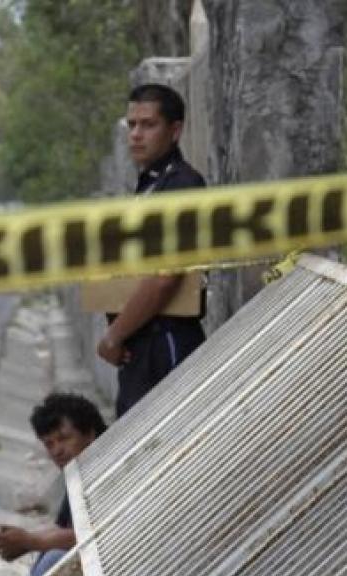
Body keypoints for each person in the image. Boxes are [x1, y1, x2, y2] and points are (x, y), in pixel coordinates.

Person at [96, 82, 207, 417]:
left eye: (148, 124)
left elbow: (164, 277)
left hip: (167, 341)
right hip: (141, 348)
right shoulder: (150, 187)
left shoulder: (181, 185)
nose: (136, 134)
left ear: (175, 130)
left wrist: (113, 337)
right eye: (132, 125)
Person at [0, 391, 106, 576]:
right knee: (48, 558)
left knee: (53, 560)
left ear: (90, 433)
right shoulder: (79, 473)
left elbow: (97, 533)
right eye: (49, 444)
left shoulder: (109, 467)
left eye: (64, 438)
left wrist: (31, 541)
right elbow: (65, 530)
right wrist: (24, 541)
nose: (57, 451)